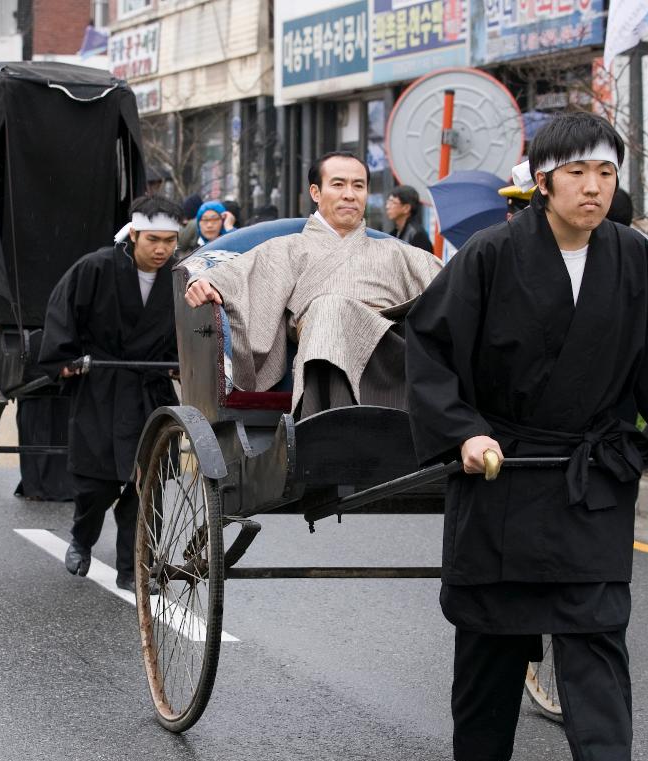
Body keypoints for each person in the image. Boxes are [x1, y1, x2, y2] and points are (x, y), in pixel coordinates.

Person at [403, 112, 648, 761]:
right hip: (503, 466)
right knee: (494, 632)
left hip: (589, 472)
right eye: (578, 174)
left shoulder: (633, 259)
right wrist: (464, 431)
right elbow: (433, 347)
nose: (594, 188)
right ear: (542, 182)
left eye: (606, 173)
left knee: (598, 631)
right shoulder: (490, 256)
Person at [184, 151, 442, 417]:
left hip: (390, 355)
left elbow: (448, 285)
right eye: (339, 184)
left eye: (359, 186)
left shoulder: (397, 252)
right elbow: (233, 276)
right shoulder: (288, 249)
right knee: (329, 310)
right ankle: (327, 428)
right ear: (316, 192)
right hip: (324, 347)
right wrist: (206, 283)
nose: (350, 195)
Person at [39, 195, 183, 591]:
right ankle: (82, 538)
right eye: (153, 239)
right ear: (133, 234)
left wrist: (179, 361)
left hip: (150, 387)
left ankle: (132, 569)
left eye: (170, 241)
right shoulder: (96, 267)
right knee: (96, 483)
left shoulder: (181, 276)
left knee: (146, 483)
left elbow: (193, 330)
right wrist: (64, 358)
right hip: (102, 382)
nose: (161, 249)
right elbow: (62, 312)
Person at [385, 185, 433, 252]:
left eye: (392, 202)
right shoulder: (395, 233)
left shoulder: (417, 235)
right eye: (388, 202)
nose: (387, 206)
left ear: (406, 208)